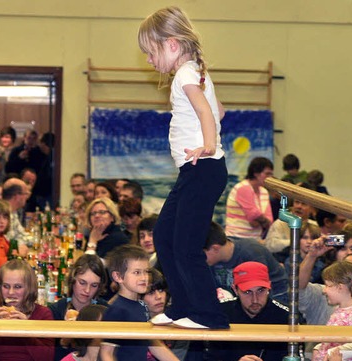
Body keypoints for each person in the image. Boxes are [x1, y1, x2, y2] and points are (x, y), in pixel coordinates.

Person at [139, 6, 228, 330]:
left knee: (186, 245)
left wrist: (207, 143)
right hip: (196, 170)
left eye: (151, 53)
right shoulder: (196, 72)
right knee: (164, 236)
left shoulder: (186, 74)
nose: (149, 60)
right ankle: (184, 307)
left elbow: (208, 114)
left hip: (203, 167)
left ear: (172, 44)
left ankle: (209, 314)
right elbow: (219, 109)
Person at [99, 244, 178, 361]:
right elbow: (106, 353)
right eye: (137, 272)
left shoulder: (142, 305)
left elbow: (153, 343)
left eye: (146, 272)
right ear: (118, 276)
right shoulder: (117, 310)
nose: (144, 278)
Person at [0, 259, 55, 361]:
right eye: (6, 286)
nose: (11, 292)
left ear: (29, 288)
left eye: (17, 287)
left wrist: (26, 331)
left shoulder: (43, 314)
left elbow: (47, 357)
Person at [204, 262, 289, 361]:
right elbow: (209, 357)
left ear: (269, 287)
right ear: (235, 290)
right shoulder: (220, 314)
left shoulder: (285, 317)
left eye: (261, 291)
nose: (255, 300)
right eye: (247, 292)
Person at [203, 222, 288, 304]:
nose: (199, 257)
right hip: (241, 299)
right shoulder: (212, 260)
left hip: (275, 296)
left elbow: (260, 294)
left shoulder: (251, 253)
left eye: (202, 253)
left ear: (215, 248)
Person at [50, 254, 109, 360]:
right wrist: (64, 342)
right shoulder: (56, 311)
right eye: (82, 283)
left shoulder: (105, 310)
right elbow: (50, 356)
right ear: (73, 279)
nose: (87, 290)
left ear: (100, 286)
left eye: (94, 285)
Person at [312, 261, 352, 361]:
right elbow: (333, 339)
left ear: (340, 287)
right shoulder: (339, 311)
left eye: (327, 285)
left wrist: (336, 352)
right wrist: (319, 348)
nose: (324, 290)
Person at [142, 269, 189, 361]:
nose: (158, 297)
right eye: (151, 293)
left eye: (161, 290)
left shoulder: (180, 322)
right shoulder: (134, 319)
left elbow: (178, 357)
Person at [225, 157, 274, 239]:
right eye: (267, 174)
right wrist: (261, 220)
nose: (270, 177)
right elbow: (253, 215)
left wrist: (260, 220)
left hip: (256, 239)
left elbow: (269, 221)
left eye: (271, 174)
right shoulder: (243, 188)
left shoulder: (264, 192)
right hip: (236, 238)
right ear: (256, 173)